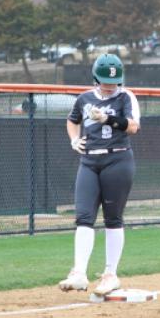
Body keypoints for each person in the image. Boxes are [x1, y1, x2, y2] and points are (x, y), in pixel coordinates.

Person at [59, 53, 140, 296]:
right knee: (84, 216)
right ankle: (79, 273)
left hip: (118, 159)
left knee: (113, 218)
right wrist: (74, 140)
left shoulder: (126, 97)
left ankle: (110, 274)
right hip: (89, 161)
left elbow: (133, 127)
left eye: (113, 81)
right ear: (95, 77)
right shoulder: (84, 98)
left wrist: (107, 118)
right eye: (105, 80)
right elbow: (72, 120)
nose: (109, 85)